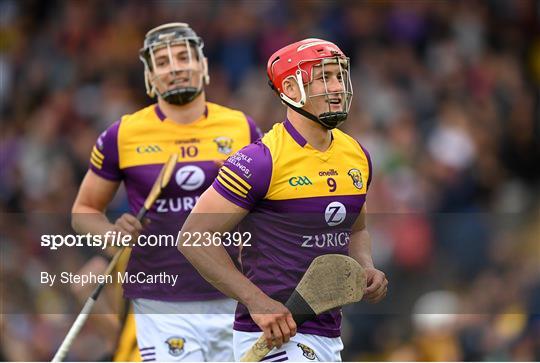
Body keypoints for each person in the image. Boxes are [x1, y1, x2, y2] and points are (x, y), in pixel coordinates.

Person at [178, 38, 388, 361]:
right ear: (290, 88)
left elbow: (356, 230)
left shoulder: (356, 155)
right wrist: (256, 301)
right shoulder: (261, 161)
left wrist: (366, 267)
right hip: (271, 335)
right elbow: (193, 237)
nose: (336, 87)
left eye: (339, 77)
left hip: (328, 334)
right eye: (324, 78)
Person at [71, 22, 261, 362]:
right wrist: (112, 232)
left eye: (183, 56)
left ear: (202, 65)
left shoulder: (241, 127)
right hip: (160, 300)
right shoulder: (123, 134)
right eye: (163, 61)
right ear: (150, 75)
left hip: (234, 293)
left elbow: (266, 206)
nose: (175, 67)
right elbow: (84, 210)